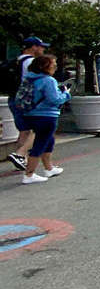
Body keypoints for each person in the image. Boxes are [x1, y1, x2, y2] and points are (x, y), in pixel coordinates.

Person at [20, 54, 70, 184]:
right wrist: (66, 94)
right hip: (47, 115)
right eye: (53, 64)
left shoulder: (28, 78)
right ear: (44, 66)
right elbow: (55, 100)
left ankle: (49, 168)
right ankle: (29, 174)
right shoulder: (48, 80)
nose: (55, 66)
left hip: (31, 114)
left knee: (48, 141)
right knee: (40, 144)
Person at [6, 36, 48, 171]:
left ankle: (20, 159)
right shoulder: (32, 62)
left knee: (24, 131)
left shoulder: (17, 60)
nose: (43, 49)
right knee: (39, 128)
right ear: (33, 47)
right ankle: (20, 154)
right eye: (41, 46)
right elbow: (39, 82)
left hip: (14, 99)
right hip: (27, 101)